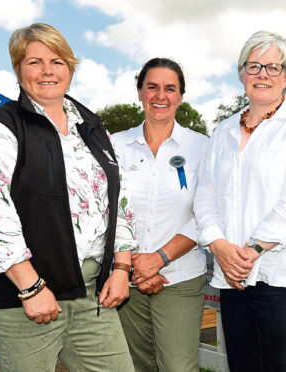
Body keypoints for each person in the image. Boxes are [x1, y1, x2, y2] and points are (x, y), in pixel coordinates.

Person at [0, 23, 136, 372]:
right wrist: (30, 287)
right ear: (18, 69)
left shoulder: (93, 128)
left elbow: (119, 202)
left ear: (70, 69)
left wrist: (121, 267)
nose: (47, 71)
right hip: (22, 297)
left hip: (92, 295)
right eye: (34, 62)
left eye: (57, 61)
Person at [194, 30, 286, 372]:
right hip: (233, 273)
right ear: (241, 74)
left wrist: (250, 251)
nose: (263, 75)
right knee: (243, 365)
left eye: (273, 67)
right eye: (254, 66)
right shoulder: (222, 131)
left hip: (283, 275)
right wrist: (220, 246)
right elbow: (205, 195)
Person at [112, 58, 208, 372]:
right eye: (152, 87)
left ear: (181, 96)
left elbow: (208, 212)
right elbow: (107, 209)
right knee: (137, 366)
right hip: (126, 276)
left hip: (179, 276)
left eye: (170, 88)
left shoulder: (202, 148)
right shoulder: (115, 145)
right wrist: (132, 265)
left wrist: (159, 258)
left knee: (178, 367)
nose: (160, 96)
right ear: (140, 92)